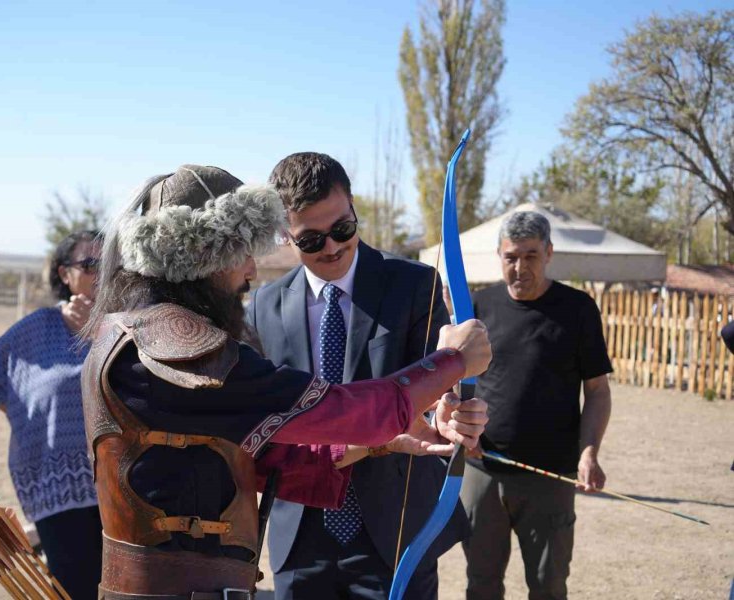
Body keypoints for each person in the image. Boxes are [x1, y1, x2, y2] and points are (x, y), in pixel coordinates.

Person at [79, 164, 492, 600]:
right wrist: (453, 360)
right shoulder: (179, 346)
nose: (252, 270)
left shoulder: (141, 334)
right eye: (241, 252)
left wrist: (382, 441)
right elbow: (343, 411)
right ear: (206, 255)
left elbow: (259, 455)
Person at [249, 151, 471, 600]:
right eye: (311, 239)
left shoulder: (413, 284)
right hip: (300, 535)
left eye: (342, 229)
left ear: (352, 207)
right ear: (284, 235)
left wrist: (452, 410)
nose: (331, 247)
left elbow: (440, 384)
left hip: (395, 529)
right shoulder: (263, 306)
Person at [462, 211, 613, 600]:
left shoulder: (577, 309)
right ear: (498, 254)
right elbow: (453, 384)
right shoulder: (478, 307)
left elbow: (597, 391)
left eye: (530, 256)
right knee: (481, 584)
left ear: (548, 252)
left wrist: (589, 453)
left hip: (550, 476)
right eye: (511, 257)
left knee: (548, 586)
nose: (520, 267)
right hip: (483, 470)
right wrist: (464, 432)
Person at [0, 229, 103, 599]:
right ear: (64, 274)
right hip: (58, 487)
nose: (101, 272)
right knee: (75, 589)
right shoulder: (37, 329)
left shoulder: (129, 323)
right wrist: (32, 424)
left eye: (109, 263)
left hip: (122, 489)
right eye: (90, 264)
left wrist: (102, 333)